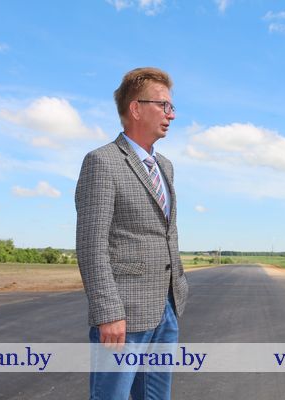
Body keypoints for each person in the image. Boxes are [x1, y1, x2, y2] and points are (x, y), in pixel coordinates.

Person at [75, 67, 188, 400]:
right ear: (136, 108)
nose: (171, 114)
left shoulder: (165, 166)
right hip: (124, 313)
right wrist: (108, 312)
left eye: (171, 107)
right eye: (164, 105)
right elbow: (91, 245)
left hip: (166, 307)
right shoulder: (102, 162)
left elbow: (165, 233)